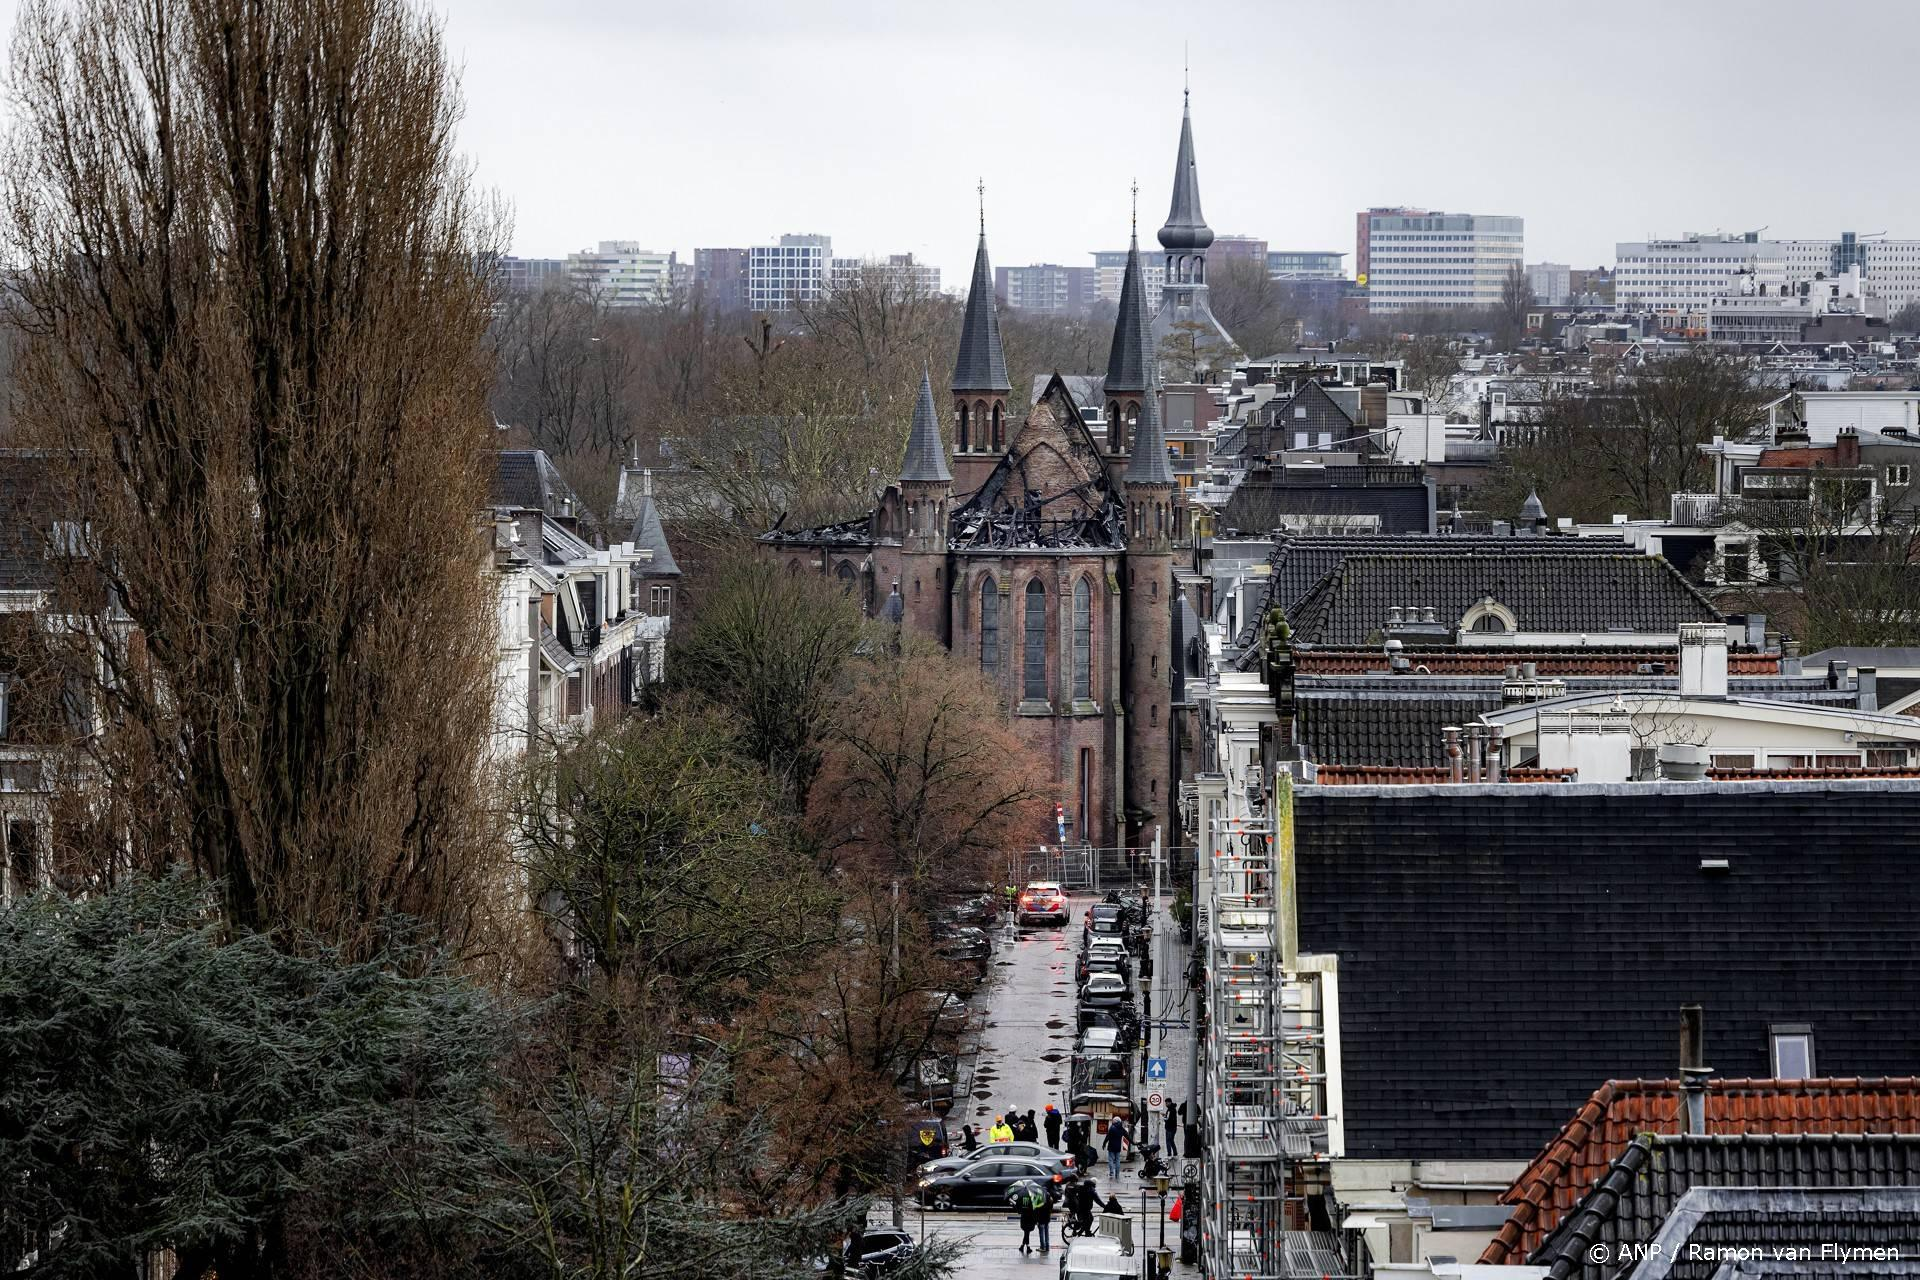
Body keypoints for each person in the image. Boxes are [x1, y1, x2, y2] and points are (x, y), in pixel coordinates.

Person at [1104, 1115, 1130, 1182]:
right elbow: (1127, 1136)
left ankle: (1111, 1173)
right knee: (1118, 1161)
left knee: (1111, 1160)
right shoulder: (1121, 1128)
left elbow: (1107, 1137)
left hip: (1111, 1147)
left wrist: (1104, 1143)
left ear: (1114, 1121)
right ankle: (1117, 1174)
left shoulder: (1112, 1128)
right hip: (1118, 1147)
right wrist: (1133, 1143)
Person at [1034, 1181, 1055, 1254]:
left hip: (1041, 1218)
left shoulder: (1039, 1197)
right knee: (1046, 1232)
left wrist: (1036, 1218)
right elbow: (1051, 1207)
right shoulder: (1049, 1196)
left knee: (1041, 1233)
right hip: (1047, 1217)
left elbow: (1036, 1208)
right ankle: (1047, 1247)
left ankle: (1042, 1247)